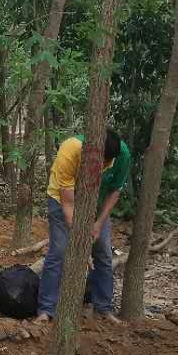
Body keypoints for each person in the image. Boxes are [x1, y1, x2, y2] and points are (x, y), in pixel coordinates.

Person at [36, 127, 130, 323]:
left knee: (103, 252)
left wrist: (97, 224)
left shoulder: (122, 155)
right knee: (59, 251)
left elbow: (114, 191)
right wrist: (80, 238)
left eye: (107, 163)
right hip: (62, 200)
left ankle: (103, 308)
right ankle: (46, 309)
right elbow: (68, 204)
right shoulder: (70, 151)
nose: (103, 166)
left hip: (96, 205)